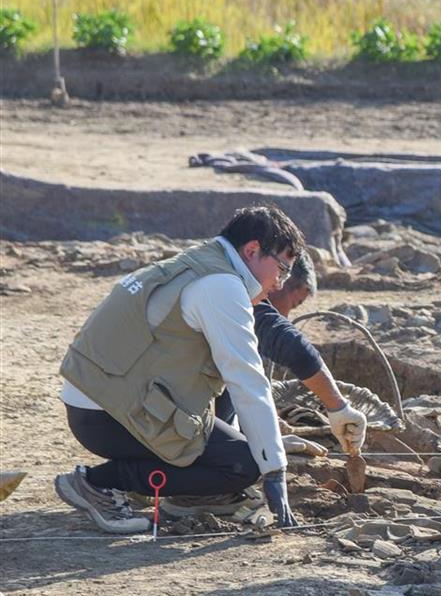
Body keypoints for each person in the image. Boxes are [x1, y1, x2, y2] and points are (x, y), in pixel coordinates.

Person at [56, 205, 305, 534]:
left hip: (101, 395)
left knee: (233, 452)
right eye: (282, 269)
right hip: (106, 414)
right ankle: (98, 483)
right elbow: (247, 380)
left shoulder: (200, 262)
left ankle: (188, 492)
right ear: (252, 250)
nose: (279, 283)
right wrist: (275, 473)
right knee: (243, 464)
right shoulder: (222, 286)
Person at [214, 248, 367, 455]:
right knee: (244, 471)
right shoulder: (235, 301)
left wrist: (261, 437)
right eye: (294, 303)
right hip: (176, 436)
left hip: (193, 428)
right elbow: (291, 345)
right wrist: (339, 407)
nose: (286, 316)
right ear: (278, 280)